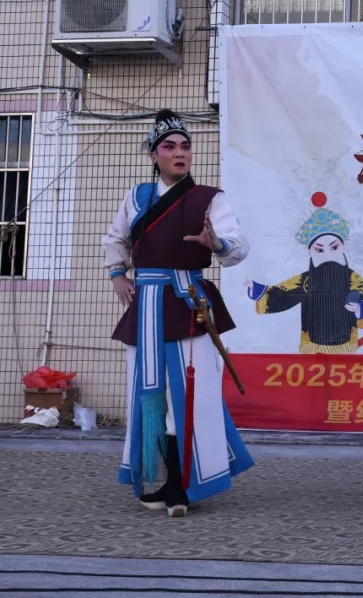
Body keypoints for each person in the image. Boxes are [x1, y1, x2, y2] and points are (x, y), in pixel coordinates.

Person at [103, 111, 254, 517]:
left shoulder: (209, 198)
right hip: (146, 304)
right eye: (169, 146)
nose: (179, 152)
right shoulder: (137, 197)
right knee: (148, 393)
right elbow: (116, 239)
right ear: (154, 155)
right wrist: (118, 275)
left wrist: (216, 243)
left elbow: (238, 247)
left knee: (190, 395)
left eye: (185, 146)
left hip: (189, 303)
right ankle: (159, 477)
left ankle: (182, 484)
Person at [245, 193, 363, 353]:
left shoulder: (352, 278)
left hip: (345, 343)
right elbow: (283, 294)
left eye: (334, 247)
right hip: (312, 345)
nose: (328, 254)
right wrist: (258, 290)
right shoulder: (306, 280)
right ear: (310, 251)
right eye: (319, 250)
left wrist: (359, 308)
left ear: (342, 247)